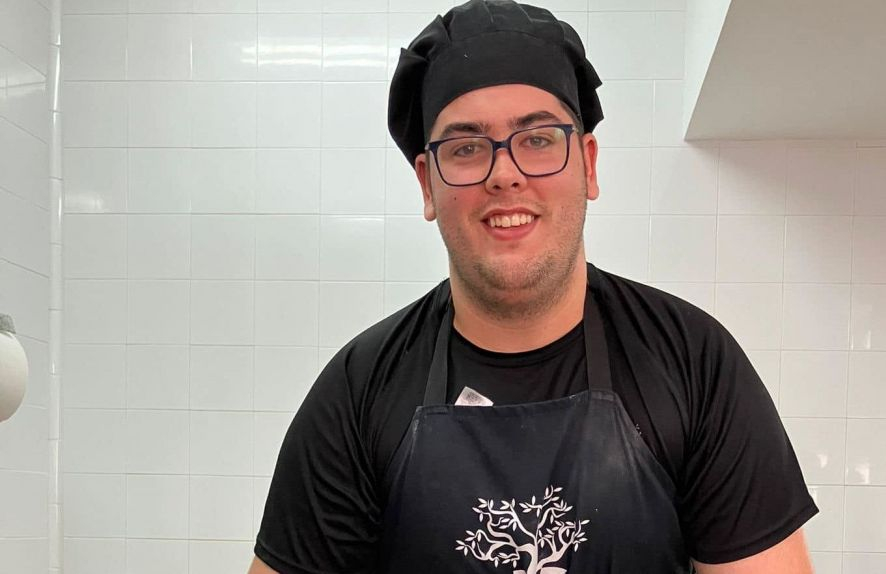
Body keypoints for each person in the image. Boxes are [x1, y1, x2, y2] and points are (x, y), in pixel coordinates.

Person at [249, 1, 819, 572]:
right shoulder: (358, 390)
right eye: (466, 148)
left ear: (588, 165)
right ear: (427, 184)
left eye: (539, 139)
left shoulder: (693, 361)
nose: (505, 174)